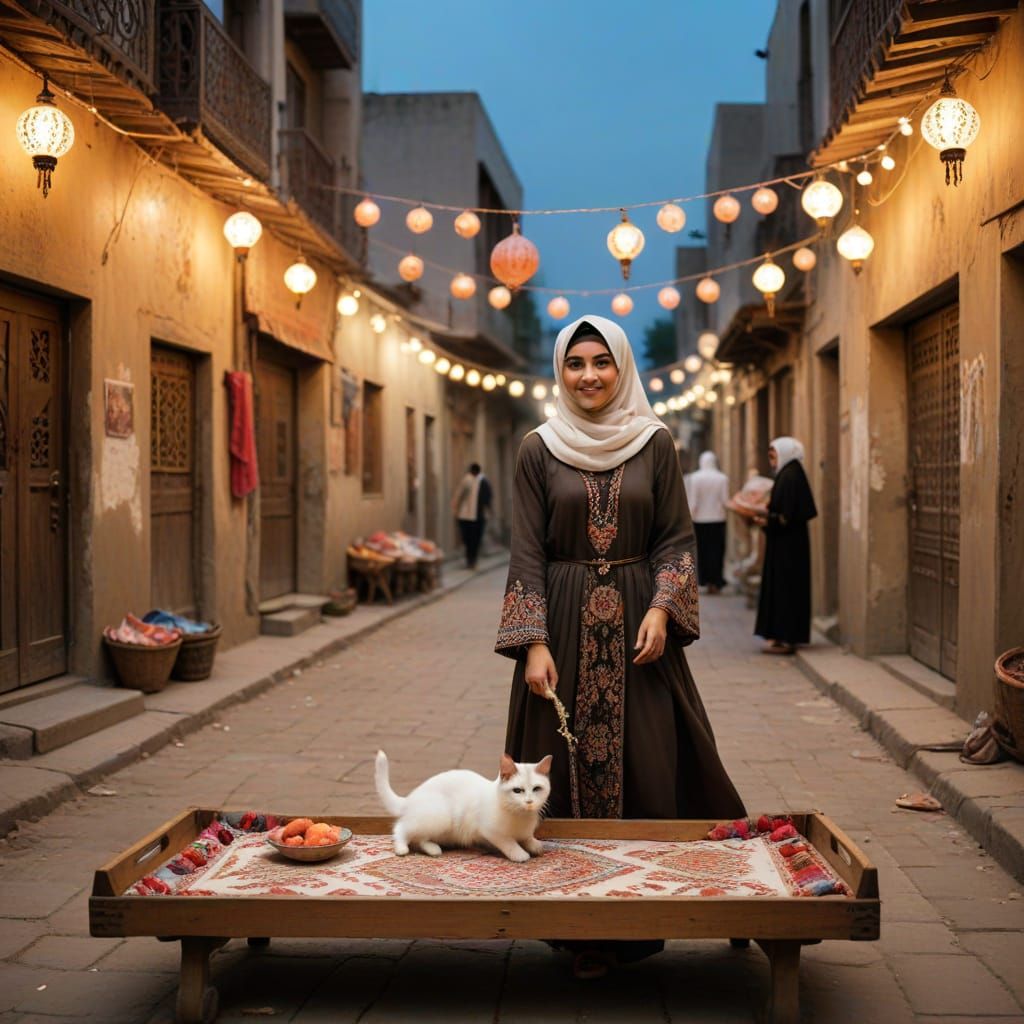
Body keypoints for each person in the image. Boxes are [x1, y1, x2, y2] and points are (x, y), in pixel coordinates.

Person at [495, 315, 745, 978]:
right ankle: (578, 928)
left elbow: (676, 538)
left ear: (623, 367)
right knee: (555, 781)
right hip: (564, 630)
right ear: (560, 370)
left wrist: (665, 608)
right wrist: (532, 644)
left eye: (601, 363)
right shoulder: (537, 449)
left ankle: (654, 913)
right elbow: (527, 551)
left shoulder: (655, 442)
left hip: (641, 631)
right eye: (575, 363)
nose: (588, 376)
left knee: (655, 764)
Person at [753, 437, 817, 654]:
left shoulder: (790, 475)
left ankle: (787, 638)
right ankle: (782, 636)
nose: (772, 461)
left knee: (786, 588)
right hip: (786, 544)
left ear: (785, 453)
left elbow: (787, 516)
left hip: (788, 547)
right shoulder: (789, 473)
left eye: (774, 456)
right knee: (783, 588)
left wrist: (767, 519)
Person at [684, 451, 730, 594]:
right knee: (717, 551)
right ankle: (716, 581)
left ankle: (706, 580)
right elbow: (725, 501)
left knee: (703, 552)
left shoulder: (695, 478)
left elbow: (693, 502)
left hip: (700, 521)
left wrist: (689, 520)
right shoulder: (722, 478)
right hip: (718, 520)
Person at [452, 462, 492, 569]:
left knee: (472, 539)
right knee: (472, 539)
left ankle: (471, 560)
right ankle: (471, 560)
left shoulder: (477, 481)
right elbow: (488, 498)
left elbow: (458, 495)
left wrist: (455, 509)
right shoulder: (473, 480)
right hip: (470, 516)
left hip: (471, 516)